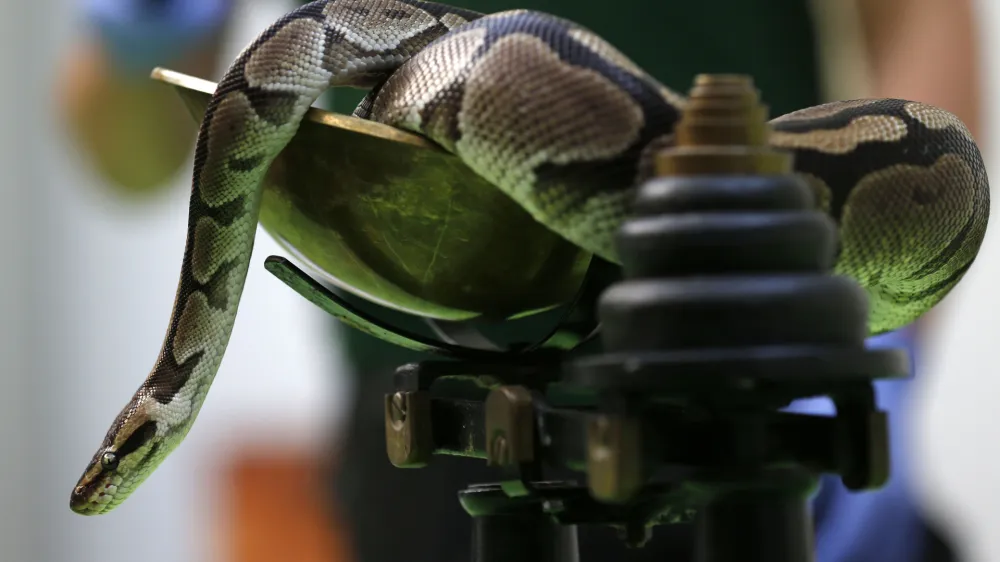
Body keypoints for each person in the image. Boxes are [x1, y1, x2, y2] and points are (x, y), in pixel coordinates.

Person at [55, 0, 982, 561]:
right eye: (115, 461)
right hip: (431, 412)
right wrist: (143, 31)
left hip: (753, 358)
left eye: (114, 458)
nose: (107, 478)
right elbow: (130, 154)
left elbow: (919, 14)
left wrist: (883, 345)